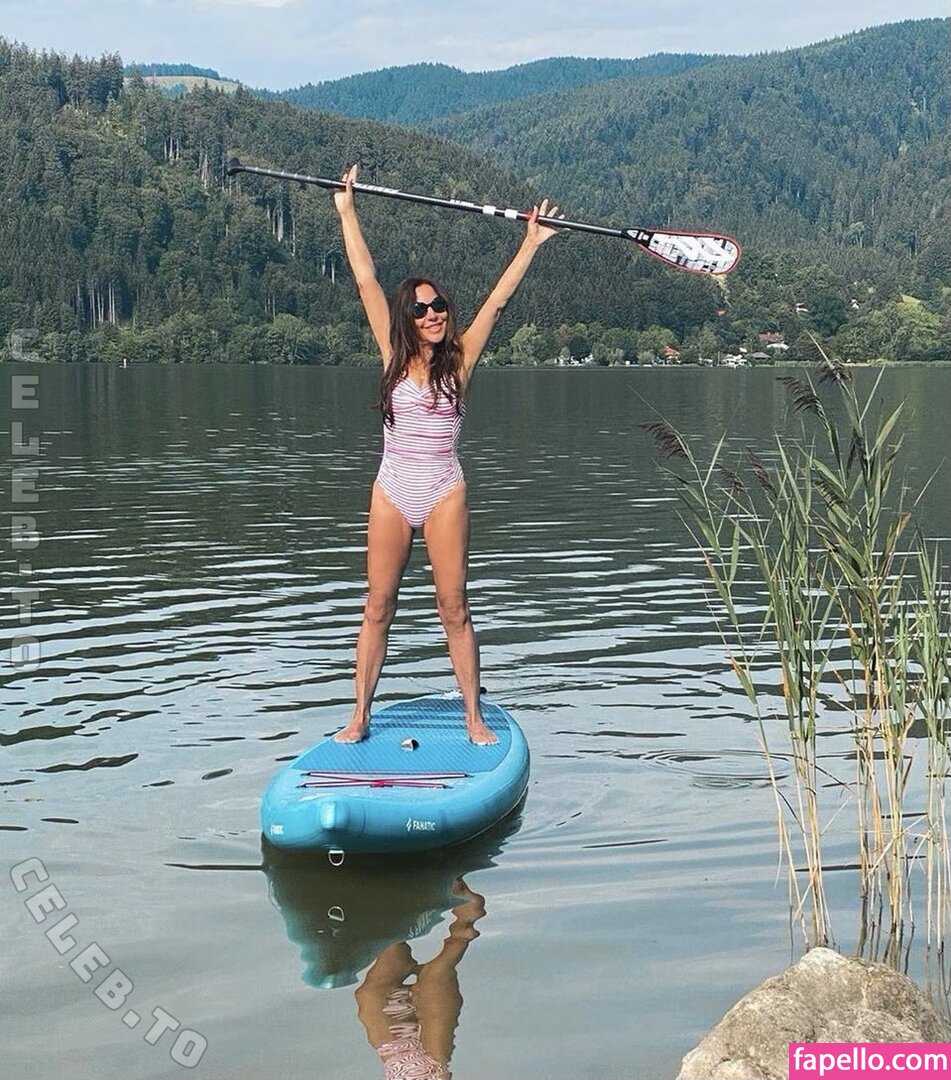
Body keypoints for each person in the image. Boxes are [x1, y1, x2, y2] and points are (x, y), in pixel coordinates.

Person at [332, 164, 562, 745]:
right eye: (421, 309)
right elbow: (365, 280)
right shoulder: (391, 354)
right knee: (378, 606)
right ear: (406, 319)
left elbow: (497, 304)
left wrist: (530, 243)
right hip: (392, 489)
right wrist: (347, 211)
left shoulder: (460, 359)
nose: (433, 314)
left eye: (438, 306)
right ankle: (359, 716)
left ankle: (473, 716)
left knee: (453, 607)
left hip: (442, 491)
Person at [354, 878, 486, 1080]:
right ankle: (465, 922)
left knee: (370, 994)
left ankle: (392, 924)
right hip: (432, 1065)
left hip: (394, 1058)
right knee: (434, 975)